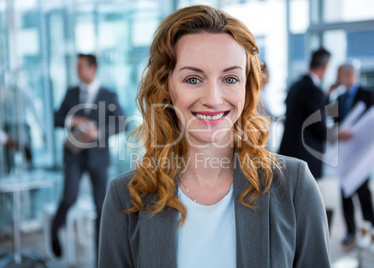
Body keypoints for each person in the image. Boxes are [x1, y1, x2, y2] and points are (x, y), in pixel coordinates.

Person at [99, 5, 330, 267]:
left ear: (247, 88)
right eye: (193, 79)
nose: (213, 99)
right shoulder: (125, 196)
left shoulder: (294, 186)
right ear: (165, 87)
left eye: (230, 79)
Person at [51, 53, 125, 259]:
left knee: (101, 207)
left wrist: (99, 132)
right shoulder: (71, 93)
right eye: (77, 67)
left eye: (80, 67)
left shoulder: (109, 95)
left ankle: (100, 257)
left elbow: (121, 123)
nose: (77, 71)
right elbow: (57, 118)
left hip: (98, 157)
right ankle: (54, 232)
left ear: (92, 69)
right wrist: (73, 120)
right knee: (69, 197)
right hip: (74, 154)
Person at [334, 63, 374, 245]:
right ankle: (351, 230)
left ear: (348, 75)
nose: (337, 79)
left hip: (362, 152)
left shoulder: (369, 94)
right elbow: (329, 120)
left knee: (363, 192)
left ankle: (372, 228)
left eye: (339, 75)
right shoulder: (339, 97)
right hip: (345, 153)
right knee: (345, 192)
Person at [278, 48, 331, 180]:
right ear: (325, 66)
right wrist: (336, 134)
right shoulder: (313, 90)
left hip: (288, 152)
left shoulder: (295, 85)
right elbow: (318, 127)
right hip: (306, 156)